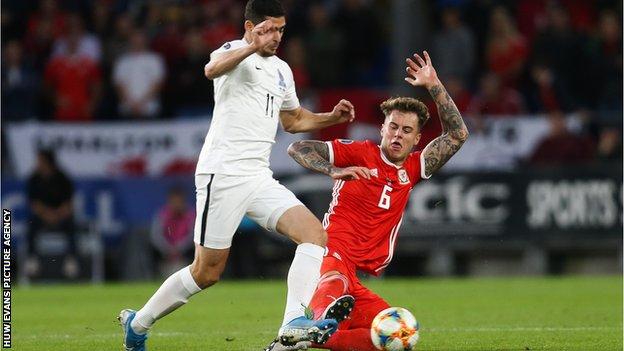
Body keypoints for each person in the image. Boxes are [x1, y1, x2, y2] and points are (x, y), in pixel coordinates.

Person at [118, 1, 357, 350]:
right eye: (268, 29)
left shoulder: (282, 70)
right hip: (223, 173)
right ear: (249, 27)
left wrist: (330, 118)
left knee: (314, 236)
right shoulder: (233, 51)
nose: (275, 36)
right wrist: (250, 47)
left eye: (280, 29)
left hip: (258, 175)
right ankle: (138, 324)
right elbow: (211, 70)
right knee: (207, 272)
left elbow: (292, 121)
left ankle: (293, 321)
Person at [265, 51, 469, 351]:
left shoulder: (413, 168)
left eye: (407, 131)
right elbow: (298, 148)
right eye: (393, 127)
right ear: (382, 129)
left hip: (356, 275)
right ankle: (309, 326)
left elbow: (458, 134)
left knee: (398, 334)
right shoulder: (360, 152)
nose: (398, 135)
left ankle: (307, 339)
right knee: (334, 280)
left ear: (416, 140)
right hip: (332, 252)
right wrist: (334, 169)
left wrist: (434, 84)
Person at [26, 149, 78, 279]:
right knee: (31, 225)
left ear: (48, 162)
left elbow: (68, 204)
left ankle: (71, 260)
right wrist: (47, 214)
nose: (37, 164)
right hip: (42, 217)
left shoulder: (63, 178)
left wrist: (56, 214)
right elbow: (34, 204)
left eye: (40, 161)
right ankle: (32, 259)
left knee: (71, 225)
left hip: (61, 216)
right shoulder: (34, 179)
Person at [150, 187, 195, 277]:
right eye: (174, 201)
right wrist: (168, 249)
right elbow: (156, 236)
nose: (177, 204)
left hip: (185, 253)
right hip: (165, 253)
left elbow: (192, 236)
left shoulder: (191, 215)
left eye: (179, 201)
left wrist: (179, 249)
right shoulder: (162, 215)